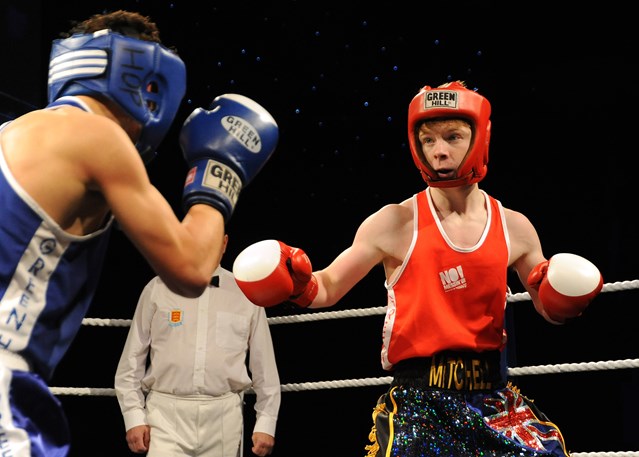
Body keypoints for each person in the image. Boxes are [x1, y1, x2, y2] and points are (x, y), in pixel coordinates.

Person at [231, 81, 604, 456]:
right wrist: (295, 283)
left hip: (493, 399)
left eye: (453, 137)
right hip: (419, 404)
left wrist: (562, 296)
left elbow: (549, 308)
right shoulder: (395, 222)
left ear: (480, 138)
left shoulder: (514, 226)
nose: (440, 151)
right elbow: (327, 286)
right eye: (428, 141)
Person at [0, 10, 278, 457]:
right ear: (138, 79)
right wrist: (220, 171)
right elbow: (191, 268)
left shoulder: (13, 132)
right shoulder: (97, 135)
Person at [115, 233, 280, 457]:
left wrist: (266, 422)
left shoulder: (245, 293)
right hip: (164, 416)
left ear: (224, 243)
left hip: (224, 417)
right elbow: (131, 361)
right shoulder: (158, 288)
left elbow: (265, 366)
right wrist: (133, 416)